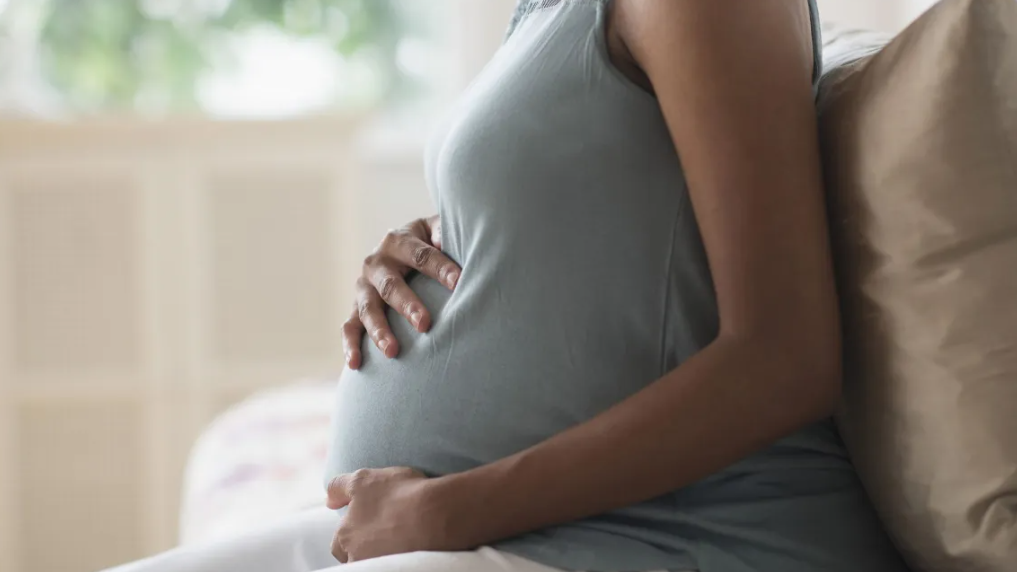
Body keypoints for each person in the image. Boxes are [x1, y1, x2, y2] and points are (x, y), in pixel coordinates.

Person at [106, 1, 910, 571]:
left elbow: (785, 355)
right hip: (526, 529)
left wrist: (450, 510)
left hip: (668, 539)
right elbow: (606, 216)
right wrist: (438, 240)